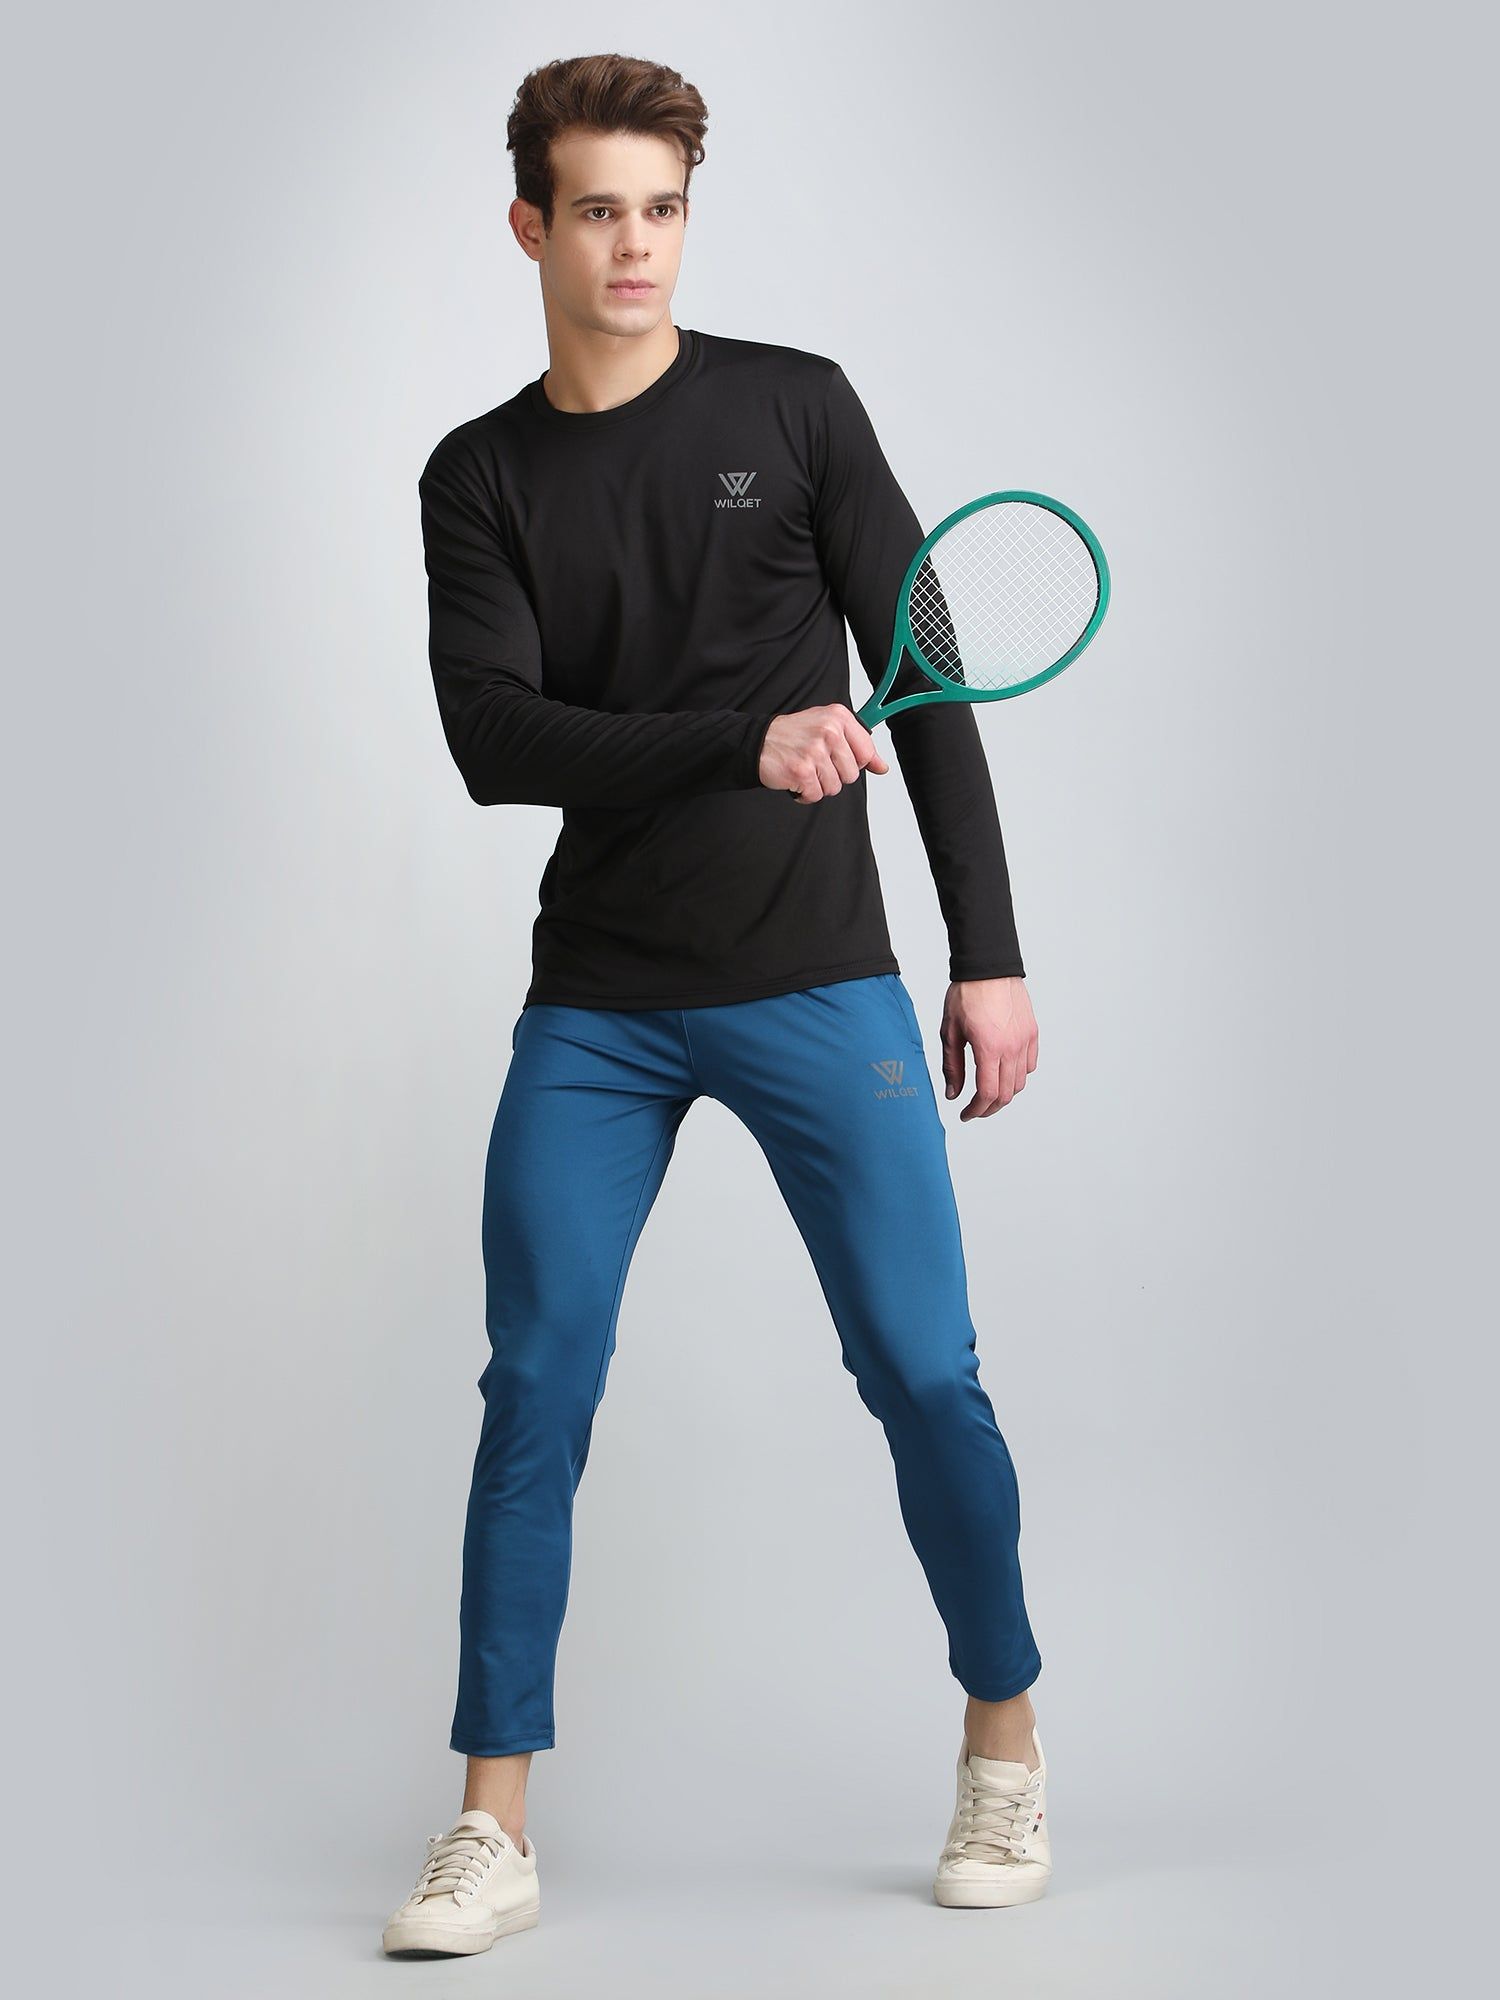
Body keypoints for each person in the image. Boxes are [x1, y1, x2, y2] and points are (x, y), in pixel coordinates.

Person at [382, 50, 1050, 1959]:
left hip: (819, 977)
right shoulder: (479, 474)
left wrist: (987, 953)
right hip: (598, 1006)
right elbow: (493, 738)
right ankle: (492, 1824)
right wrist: (737, 740)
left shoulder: (797, 406)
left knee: (922, 1369)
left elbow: (929, 681)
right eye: (598, 210)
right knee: (536, 1384)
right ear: (530, 225)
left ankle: (1004, 1740)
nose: (635, 246)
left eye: (662, 209)